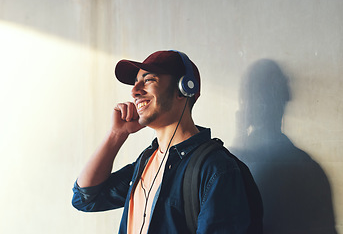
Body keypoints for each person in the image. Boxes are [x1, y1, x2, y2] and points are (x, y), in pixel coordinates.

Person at [72, 50, 255, 234]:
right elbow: (85, 199)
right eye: (135, 83)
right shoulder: (146, 161)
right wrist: (116, 134)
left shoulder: (216, 169)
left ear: (183, 89)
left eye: (149, 79)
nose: (134, 91)